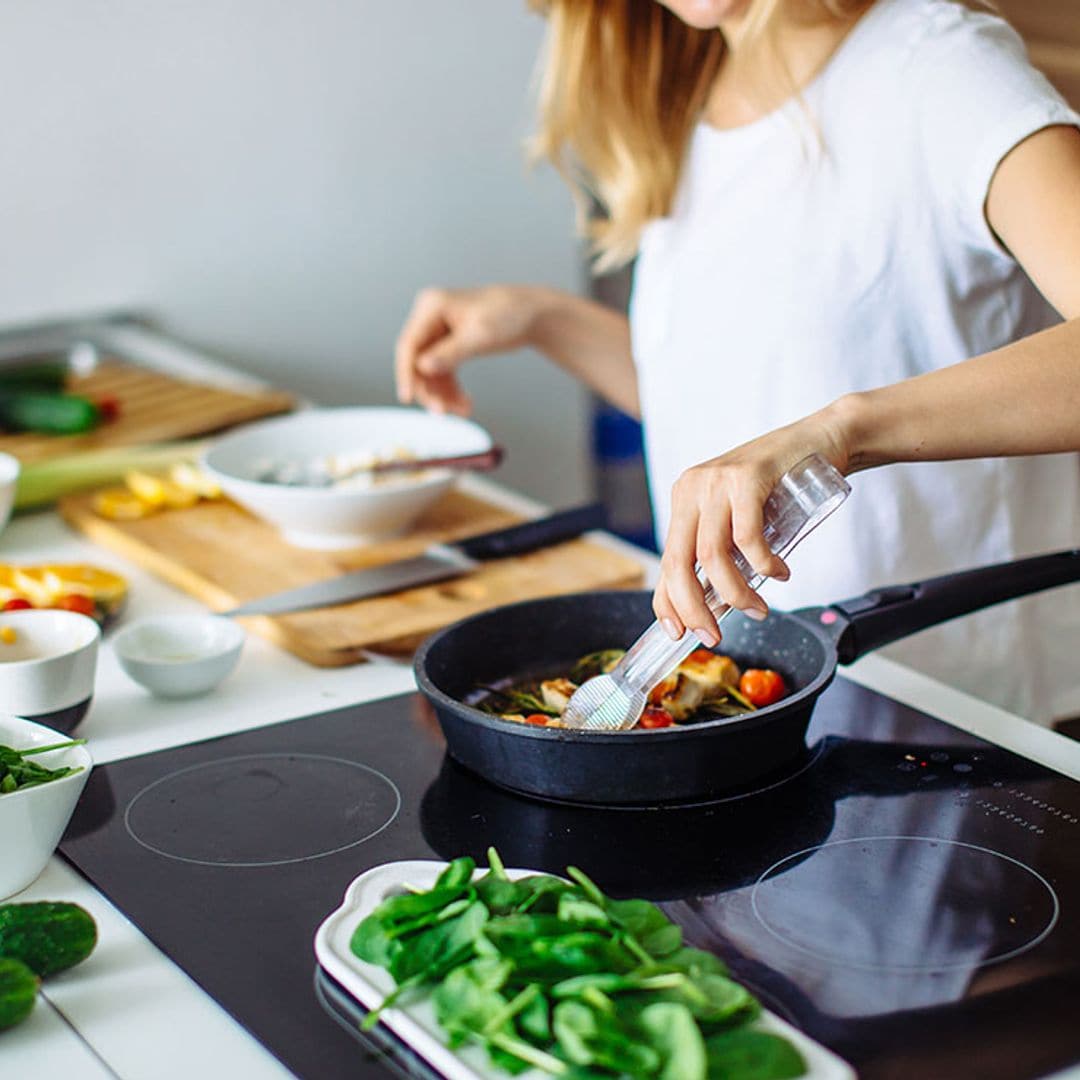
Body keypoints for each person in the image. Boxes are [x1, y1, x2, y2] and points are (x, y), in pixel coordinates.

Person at [395, 0, 1080, 725]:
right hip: (773, 712)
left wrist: (841, 433)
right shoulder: (698, 90)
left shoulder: (944, 67)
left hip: (968, 720)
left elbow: (808, 428)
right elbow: (738, 409)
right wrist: (546, 320)